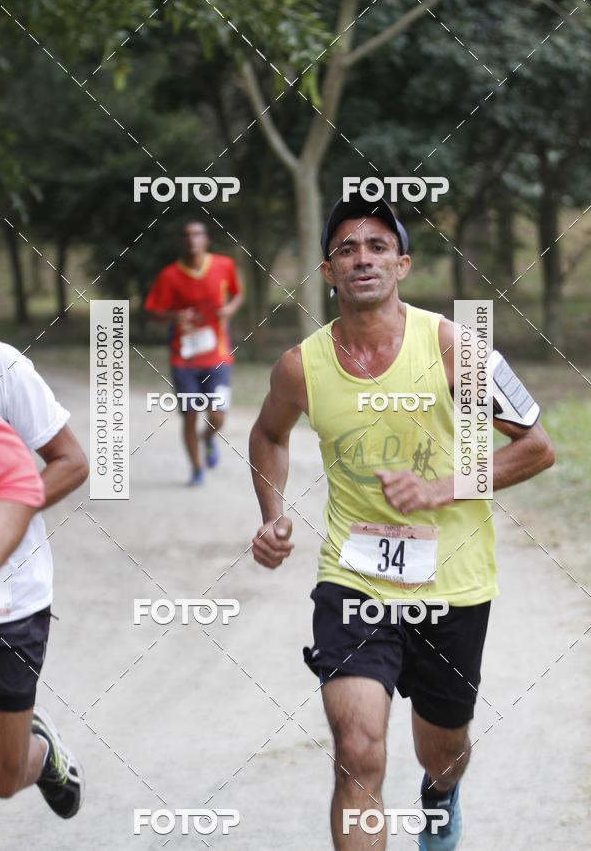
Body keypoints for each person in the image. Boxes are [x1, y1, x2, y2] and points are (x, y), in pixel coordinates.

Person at [249, 193, 554, 850]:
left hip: (454, 584)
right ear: (328, 272)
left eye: (378, 246)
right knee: (358, 749)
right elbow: (268, 435)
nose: (363, 258)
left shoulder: (453, 349)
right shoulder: (302, 366)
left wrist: (443, 487)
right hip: (354, 581)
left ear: (403, 265)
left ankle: (440, 796)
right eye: (347, 248)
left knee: (440, 751)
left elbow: (536, 446)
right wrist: (272, 515)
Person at [0, 338, 89, 817]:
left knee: (2, 777)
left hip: (9, 602)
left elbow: (72, 462)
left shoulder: (1, 365)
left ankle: (43, 751)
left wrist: (2, 515)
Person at [145, 221, 243, 485]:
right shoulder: (169, 276)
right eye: (186, 235)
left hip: (218, 357)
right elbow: (152, 312)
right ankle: (197, 468)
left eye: (197, 234)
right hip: (184, 359)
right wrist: (174, 317)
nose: (192, 239)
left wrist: (230, 310)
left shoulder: (224, 266)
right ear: (182, 242)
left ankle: (209, 438)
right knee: (190, 416)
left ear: (206, 240)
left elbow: (237, 294)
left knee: (217, 414)